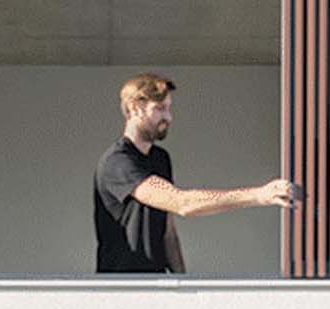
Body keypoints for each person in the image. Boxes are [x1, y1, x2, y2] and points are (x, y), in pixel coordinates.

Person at [93, 72, 298, 275]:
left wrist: (181, 279)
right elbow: (183, 203)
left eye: (169, 108)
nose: (168, 117)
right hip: (121, 288)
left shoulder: (160, 159)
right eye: (160, 109)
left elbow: (168, 230)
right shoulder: (118, 162)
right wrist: (259, 195)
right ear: (134, 108)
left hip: (157, 282)